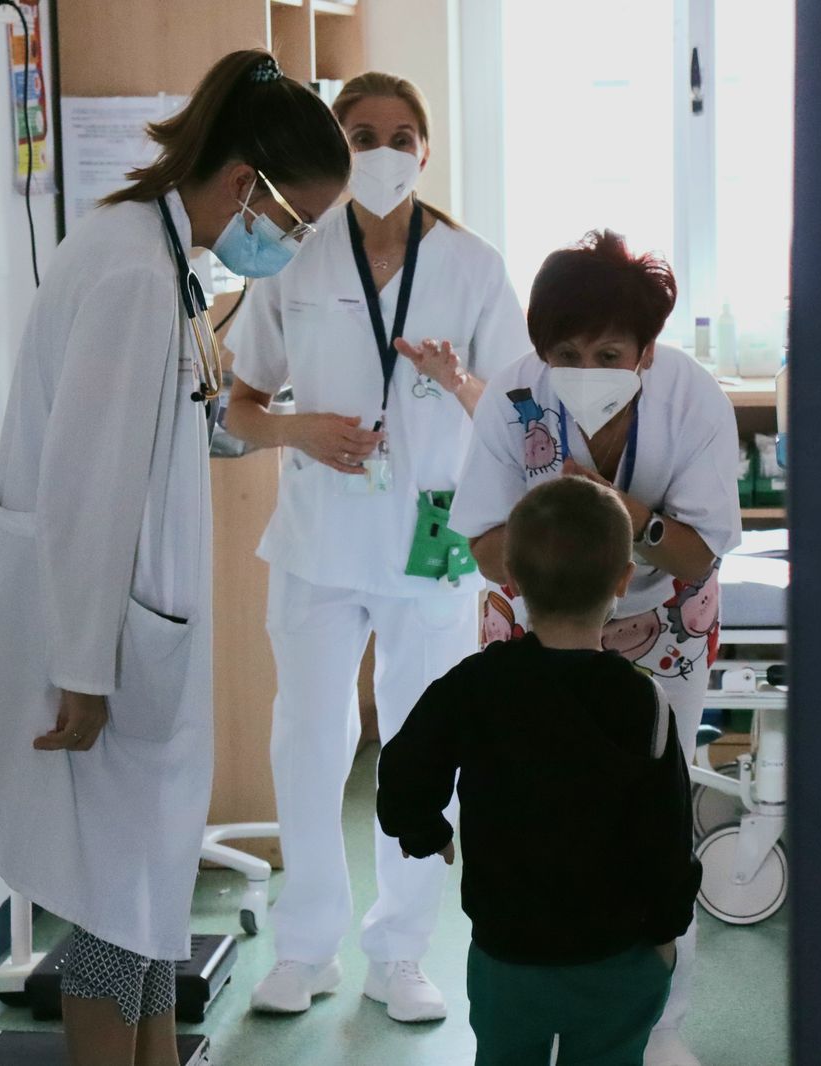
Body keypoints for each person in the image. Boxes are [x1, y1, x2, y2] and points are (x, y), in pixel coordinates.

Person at [0, 50, 350, 1066]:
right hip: (103, 643)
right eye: (290, 221)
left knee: (144, 903)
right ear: (244, 180)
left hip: (130, 629)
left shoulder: (157, 257)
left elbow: (153, 436)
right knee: (116, 916)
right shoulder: (128, 269)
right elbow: (88, 489)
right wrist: (81, 668)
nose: (286, 245)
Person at [224, 71, 530, 1023]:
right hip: (319, 533)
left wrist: (463, 382)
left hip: (431, 539)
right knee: (310, 740)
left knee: (422, 746)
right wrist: (297, 430)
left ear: (427, 150)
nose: (383, 151)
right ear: (336, 146)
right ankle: (305, 948)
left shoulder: (473, 266)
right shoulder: (295, 261)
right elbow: (236, 407)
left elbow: (521, 421)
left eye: (402, 135)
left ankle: (400, 953)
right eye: (362, 134)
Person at [448, 230, 741, 1066]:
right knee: (541, 804)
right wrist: (562, 560)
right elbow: (483, 546)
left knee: (654, 815)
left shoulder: (692, 400)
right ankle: (539, 993)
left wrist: (616, 513)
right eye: (565, 351)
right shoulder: (513, 398)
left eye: (609, 351)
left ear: (647, 352)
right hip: (539, 615)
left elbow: (696, 552)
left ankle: (661, 1024)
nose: (585, 366)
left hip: (661, 617)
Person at [376, 476, 701, 1066]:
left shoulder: (473, 686)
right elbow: (668, 832)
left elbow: (403, 763)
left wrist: (423, 829)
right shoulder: (642, 702)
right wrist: (665, 933)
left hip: (508, 954)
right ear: (624, 581)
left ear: (512, 581)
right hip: (617, 957)